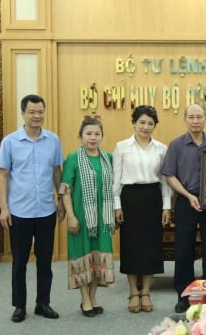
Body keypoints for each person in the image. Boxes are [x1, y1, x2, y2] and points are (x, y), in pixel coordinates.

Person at [0, 94, 64, 323]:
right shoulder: (10, 142)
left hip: (46, 210)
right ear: (23, 114)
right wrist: (4, 207)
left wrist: (61, 200)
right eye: (32, 112)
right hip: (19, 213)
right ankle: (19, 306)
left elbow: (57, 172)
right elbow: (3, 176)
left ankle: (43, 303)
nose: (37, 116)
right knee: (19, 262)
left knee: (45, 261)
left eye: (40, 112)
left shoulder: (53, 140)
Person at [161, 104, 206, 313]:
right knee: (184, 249)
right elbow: (169, 175)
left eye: (199, 117)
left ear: (205, 119)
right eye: (191, 117)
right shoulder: (176, 145)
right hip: (186, 201)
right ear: (185, 120)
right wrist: (188, 196)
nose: (195, 121)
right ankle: (184, 295)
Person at [113, 105, 172, 314]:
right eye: (142, 122)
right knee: (130, 246)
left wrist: (166, 206)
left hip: (153, 198)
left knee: (151, 246)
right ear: (134, 122)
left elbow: (165, 181)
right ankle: (133, 292)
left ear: (155, 125)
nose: (145, 127)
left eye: (150, 123)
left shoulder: (161, 148)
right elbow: (116, 179)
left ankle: (145, 292)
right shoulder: (122, 147)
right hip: (129, 198)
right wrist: (117, 205)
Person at [61, 117, 116, 317]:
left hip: (102, 220)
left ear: (102, 136)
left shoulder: (108, 158)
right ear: (81, 135)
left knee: (97, 260)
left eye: (97, 134)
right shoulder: (73, 158)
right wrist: (71, 217)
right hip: (81, 219)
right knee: (82, 258)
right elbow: (65, 190)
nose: (93, 138)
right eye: (88, 134)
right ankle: (84, 299)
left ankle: (93, 297)